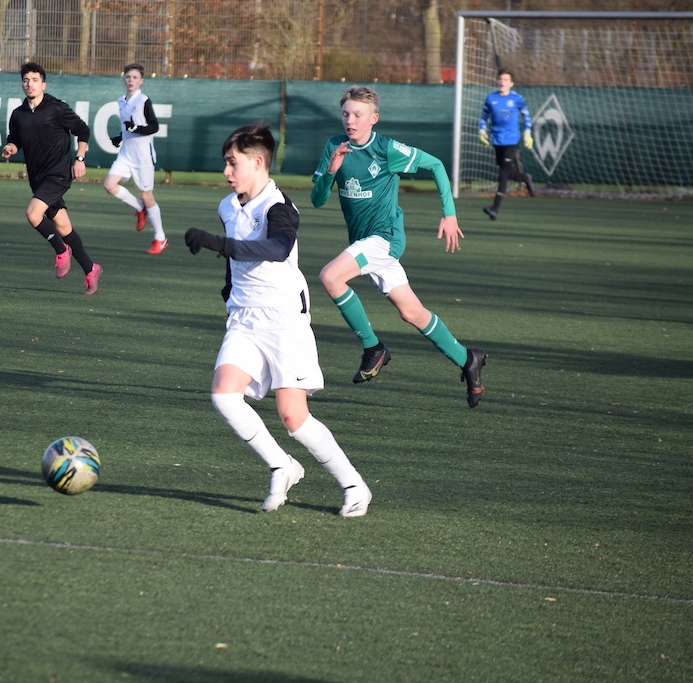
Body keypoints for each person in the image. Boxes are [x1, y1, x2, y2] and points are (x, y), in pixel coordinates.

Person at [184, 123, 372, 517]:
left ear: (257, 163)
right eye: (225, 164)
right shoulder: (227, 206)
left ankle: (355, 486)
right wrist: (228, 290)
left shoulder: (279, 206)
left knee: (293, 417)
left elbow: (277, 248)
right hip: (243, 316)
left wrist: (219, 244)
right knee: (224, 395)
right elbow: (235, 261)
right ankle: (281, 466)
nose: (226, 172)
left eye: (232, 163)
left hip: (284, 317)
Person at [311, 85, 488, 408]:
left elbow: (436, 165)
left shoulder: (387, 149)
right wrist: (331, 171)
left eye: (358, 115)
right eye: (346, 114)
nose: (350, 120)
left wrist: (449, 213)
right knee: (412, 312)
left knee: (331, 277)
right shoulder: (335, 146)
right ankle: (468, 359)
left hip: (385, 238)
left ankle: (373, 348)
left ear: (373, 118)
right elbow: (317, 199)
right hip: (364, 242)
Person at [2, 61, 102, 294]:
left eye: (35, 80)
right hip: (37, 177)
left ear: (43, 84)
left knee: (32, 214)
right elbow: (14, 139)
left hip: (57, 173)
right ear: (22, 84)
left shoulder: (57, 108)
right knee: (63, 226)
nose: (30, 84)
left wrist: (79, 159)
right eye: (26, 80)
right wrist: (10, 148)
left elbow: (83, 130)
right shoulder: (18, 114)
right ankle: (91, 268)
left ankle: (61, 250)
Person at [103, 63, 168, 255]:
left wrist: (136, 129)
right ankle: (140, 208)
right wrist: (120, 136)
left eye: (135, 77)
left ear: (142, 81)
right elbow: (127, 127)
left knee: (147, 196)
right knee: (109, 185)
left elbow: (154, 126)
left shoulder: (143, 100)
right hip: (126, 154)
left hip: (143, 157)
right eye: (128, 77)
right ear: (124, 79)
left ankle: (160, 238)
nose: (131, 80)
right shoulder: (121, 100)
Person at [478, 68, 535, 220]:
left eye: (505, 80)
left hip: (511, 139)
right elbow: (484, 116)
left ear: (511, 83)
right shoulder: (491, 98)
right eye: (500, 79)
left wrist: (527, 133)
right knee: (505, 171)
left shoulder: (517, 99)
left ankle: (494, 208)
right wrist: (482, 132)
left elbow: (526, 116)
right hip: (497, 139)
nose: (502, 82)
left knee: (503, 174)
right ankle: (525, 178)